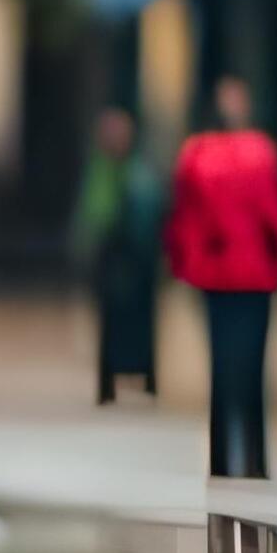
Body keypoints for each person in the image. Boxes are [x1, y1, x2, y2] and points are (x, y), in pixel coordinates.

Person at [165, 75, 277, 479]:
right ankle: (256, 459)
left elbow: (183, 218)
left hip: (214, 274)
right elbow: (274, 215)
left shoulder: (195, 154)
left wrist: (183, 262)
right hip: (255, 274)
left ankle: (220, 460)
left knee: (220, 366)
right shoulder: (261, 152)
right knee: (254, 366)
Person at [72, 105, 166, 404]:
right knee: (109, 323)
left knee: (142, 322)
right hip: (110, 259)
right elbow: (91, 216)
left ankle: (145, 376)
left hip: (137, 259)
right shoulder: (101, 171)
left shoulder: (139, 171)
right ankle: (109, 380)